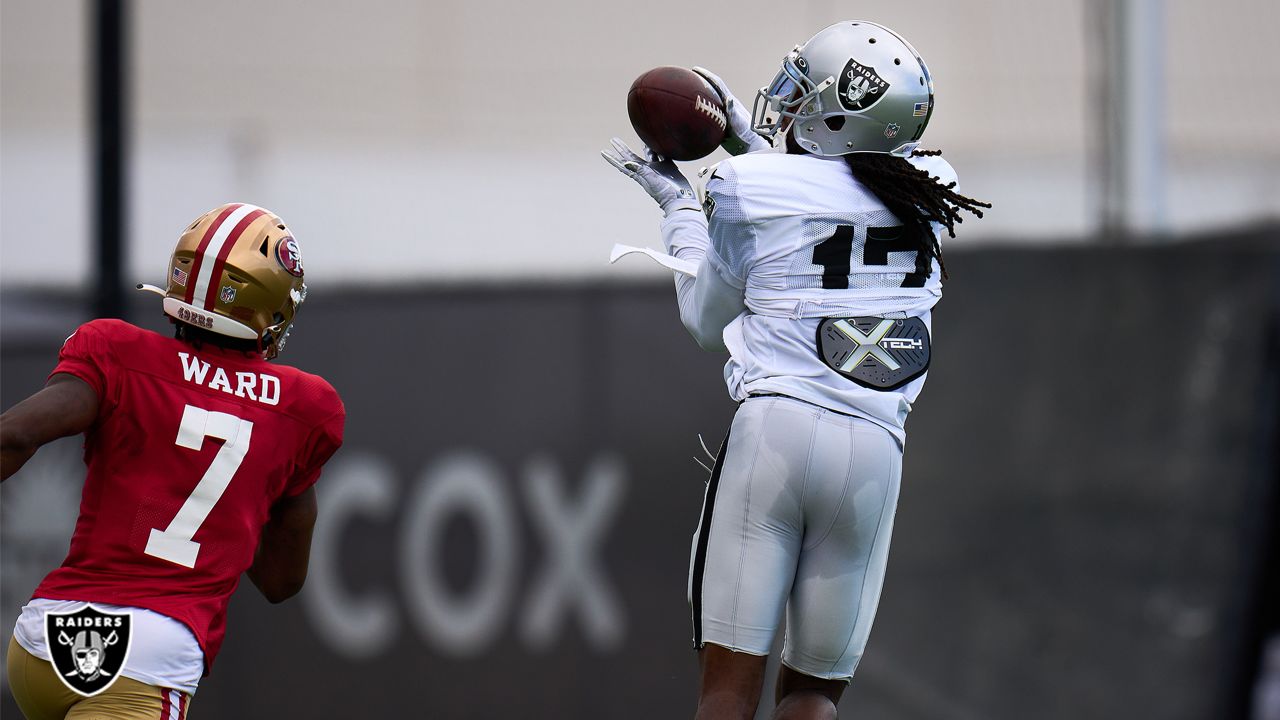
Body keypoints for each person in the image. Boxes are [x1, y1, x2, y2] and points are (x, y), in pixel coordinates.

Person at [603, 21, 989, 720]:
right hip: (874, 453)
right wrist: (751, 147)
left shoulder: (748, 188)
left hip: (776, 438)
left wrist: (678, 209)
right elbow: (837, 197)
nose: (789, 102)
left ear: (838, 114)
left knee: (726, 693)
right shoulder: (932, 193)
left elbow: (704, 321)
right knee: (812, 696)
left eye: (807, 91)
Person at [0, 203, 345, 719]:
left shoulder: (116, 351)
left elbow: (17, 435)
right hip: (143, 657)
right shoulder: (302, 408)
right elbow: (281, 580)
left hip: (43, 641)